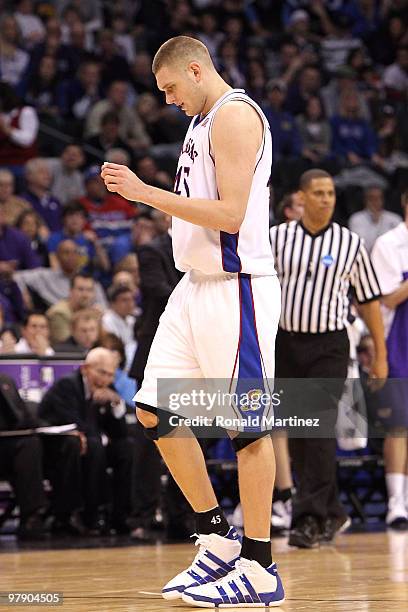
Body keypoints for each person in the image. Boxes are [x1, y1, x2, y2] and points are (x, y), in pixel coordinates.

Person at [102, 35, 284, 607]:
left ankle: (259, 568)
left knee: (247, 428)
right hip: (194, 286)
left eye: (171, 88)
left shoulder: (234, 117)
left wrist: (144, 193)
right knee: (155, 409)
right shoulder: (200, 119)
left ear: (197, 69)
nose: (169, 99)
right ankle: (216, 538)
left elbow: (231, 215)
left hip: (237, 290)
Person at [270, 168, 388, 549]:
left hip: (330, 345)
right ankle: (333, 510)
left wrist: (380, 355)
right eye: (318, 193)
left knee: (317, 428)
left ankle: (308, 519)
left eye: (331, 193)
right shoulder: (276, 239)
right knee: (299, 435)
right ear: (301, 197)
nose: (326, 199)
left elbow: (369, 301)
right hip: (285, 344)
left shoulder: (350, 244)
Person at [39, 347, 134, 534]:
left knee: (126, 448)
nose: (105, 380)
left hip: (91, 445)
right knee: (93, 445)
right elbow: (75, 423)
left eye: (110, 375)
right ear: (85, 368)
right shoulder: (67, 386)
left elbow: (120, 433)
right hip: (57, 448)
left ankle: (120, 516)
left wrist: (115, 404)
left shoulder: (107, 388)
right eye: (101, 373)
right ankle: (86, 514)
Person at [371, 188, 408, 529]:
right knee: (400, 425)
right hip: (399, 341)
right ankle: (397, 503)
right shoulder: (388, 244)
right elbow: (389, 299)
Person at [348, 186, 401, 253]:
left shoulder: (395, 219)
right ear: (365, 200)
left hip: (391, 257)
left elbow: (399, 245)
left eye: (379, 198)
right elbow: (361, 246)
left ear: (383, 199)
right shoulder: (356, 219)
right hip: (366, 259)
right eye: (372, 198)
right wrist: (377, 222)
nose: (376, 201)